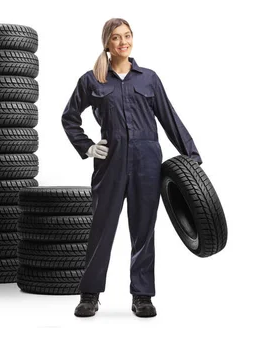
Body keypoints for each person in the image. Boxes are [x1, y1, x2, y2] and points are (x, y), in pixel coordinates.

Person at [61, 18, 202, 318]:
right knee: (101, 229)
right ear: (107, 44)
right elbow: (69, 117)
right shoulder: (92, 80)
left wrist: (192, 157)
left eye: (127, 36)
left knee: (143, 230)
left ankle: (142, 296)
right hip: (110, 164)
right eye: (116, 37)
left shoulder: (148, 79)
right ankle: (89, 294)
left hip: (147, 164)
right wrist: (86, 146)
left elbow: (169, 118)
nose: (123, 42)